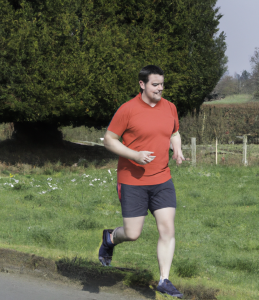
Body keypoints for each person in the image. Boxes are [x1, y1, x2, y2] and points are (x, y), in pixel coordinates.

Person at [99, 65, 185, 298]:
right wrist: (135, 155)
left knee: (167, 227)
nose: (160, 89)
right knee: (133, 233)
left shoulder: (170, 107)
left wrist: (176, 149)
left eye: (162, 84)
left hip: (162, 178)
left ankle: (164, 280)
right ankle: (110, 238)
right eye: (155, 84)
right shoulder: (127, 110)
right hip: (132, 180)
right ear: (142, 84)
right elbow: (109, 140)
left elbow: (174, 131)